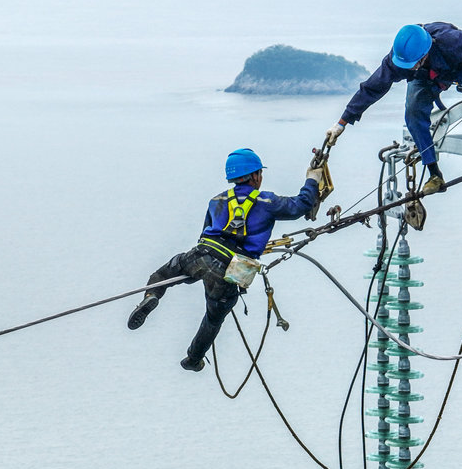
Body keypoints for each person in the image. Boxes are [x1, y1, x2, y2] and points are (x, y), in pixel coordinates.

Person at [127, 148, 321, 372]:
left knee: (160, 276)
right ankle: (192, 359)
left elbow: (204, 235)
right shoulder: (268, 201)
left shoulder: (216, 200)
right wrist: (312, 179)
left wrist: (193, 274)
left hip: (200, 255)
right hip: (231, 269)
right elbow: (301, 206)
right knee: (213, 318)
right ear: (255, 175)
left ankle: (152, 296)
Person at [325, 22, 462, 195]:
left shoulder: (454, 42)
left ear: (425, 53)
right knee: (413, 116)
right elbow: (371, 89)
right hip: (425, 79)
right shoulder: (398, 60)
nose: (409, 67)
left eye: (414, 63)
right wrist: (342, 122)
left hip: (459, 66)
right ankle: (434, 174)